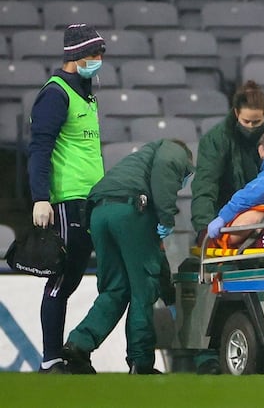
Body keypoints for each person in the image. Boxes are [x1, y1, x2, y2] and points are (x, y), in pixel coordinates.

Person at [62, 139, 194, 374]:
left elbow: (155, 257)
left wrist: (170, 296)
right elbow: (166, 169)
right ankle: (140, 361)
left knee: (115, 289)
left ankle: (78, 345)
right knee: (142, 290)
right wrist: (166, 217)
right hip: (131, 210)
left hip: (98, 213)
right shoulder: (173, 149)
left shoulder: (134, 164)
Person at [28, 23, 106, 374]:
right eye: (94, 54)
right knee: (61, 281)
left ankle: (60, 356)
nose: (99, 60)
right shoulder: (55, 94)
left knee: (70, 280)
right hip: (65, 201)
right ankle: (50, 360)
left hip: (88, 201)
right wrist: (40, 198)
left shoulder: (86, 94)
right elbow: (40, 148)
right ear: (76, 56)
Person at [191, 80, 264, 245]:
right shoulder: (217, 139)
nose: (250, 127)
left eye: (256, 122)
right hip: (229, 212)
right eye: (246, 121)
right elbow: (205, 184)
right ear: (236, 113)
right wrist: (204, 227)